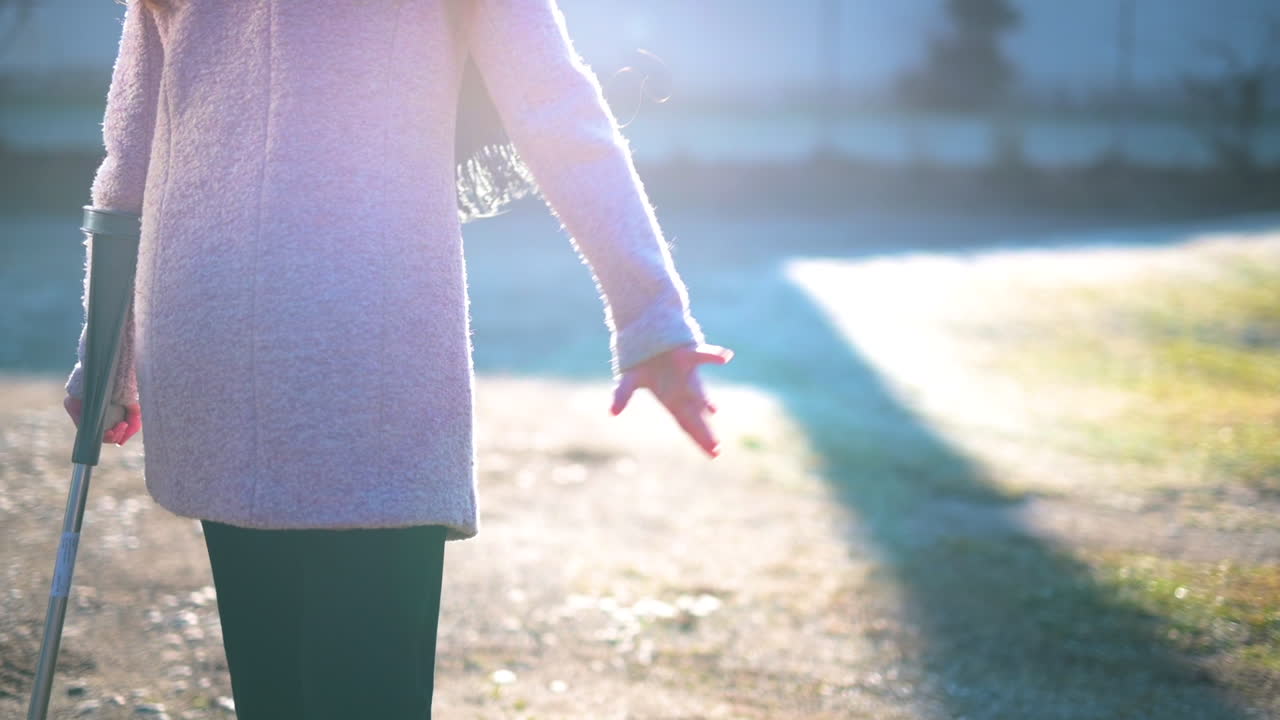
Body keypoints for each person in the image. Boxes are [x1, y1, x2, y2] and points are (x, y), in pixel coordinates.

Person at [61, 0, 731, 718]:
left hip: (213, 334)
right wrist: (650, 311)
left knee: (274, 688)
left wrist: (106, 350)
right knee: (367, 690)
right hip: (367, 350)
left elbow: (129, 156)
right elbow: (554, 105)